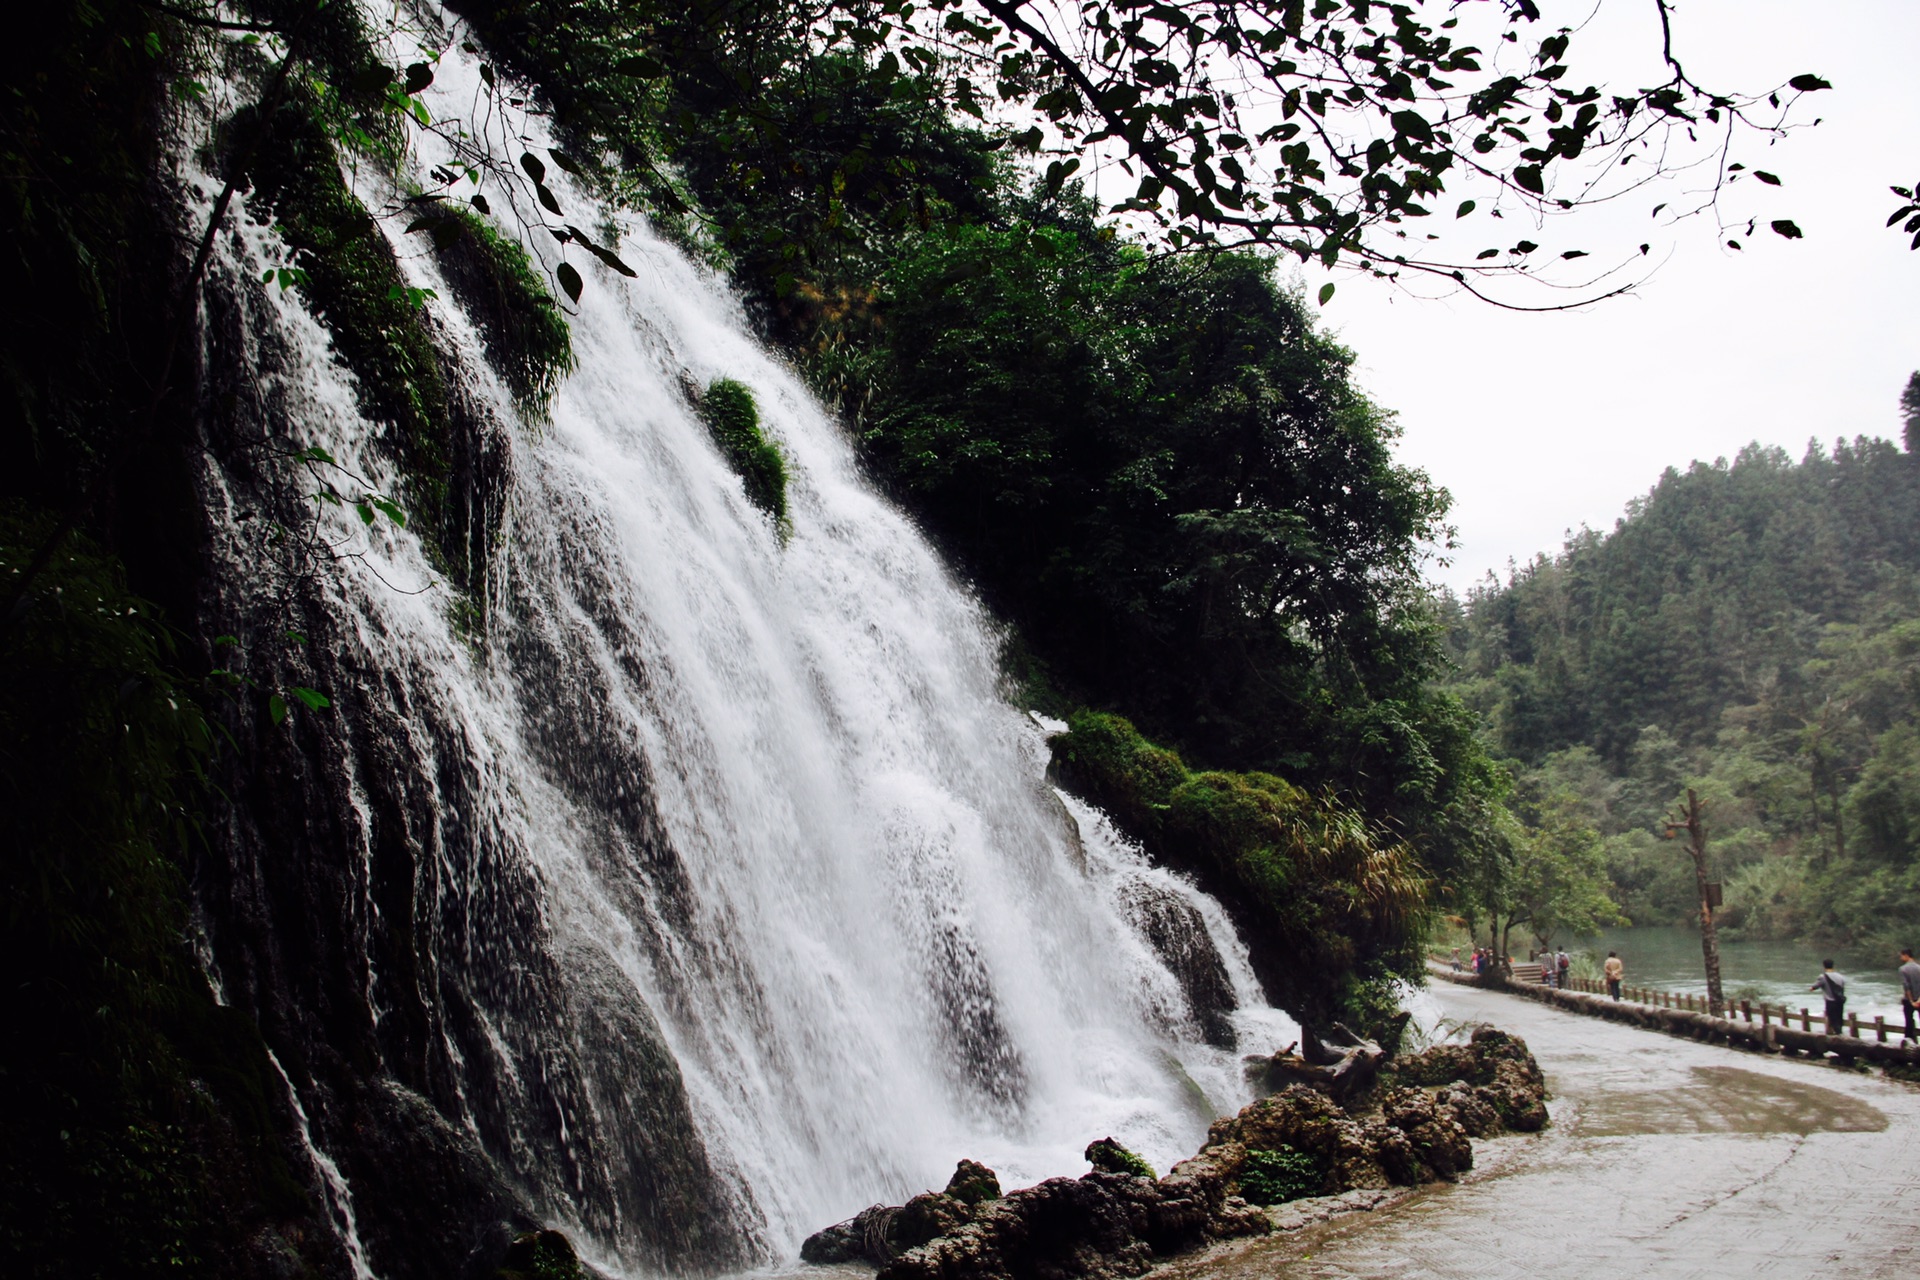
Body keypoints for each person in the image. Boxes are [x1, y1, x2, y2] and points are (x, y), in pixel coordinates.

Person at [1810, 959, 1847, 1036]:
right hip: (1840, 1001)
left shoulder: (1823, 977)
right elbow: (1843, 987)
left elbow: (1815, 987)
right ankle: (1840, 1034)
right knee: (1839, 1018)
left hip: (1830, 1001)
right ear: (1833, 965)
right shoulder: (1840, 976)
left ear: (1824, 966)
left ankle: (1839, 1036)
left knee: (1832, 1019)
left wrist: (1811, 988)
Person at [1901, 947, 1920, 1046]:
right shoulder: (1919, 968)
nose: (1901, 958)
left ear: (1906, 955)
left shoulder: (1903, 969)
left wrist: (1912, 1001)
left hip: (1909, 1000)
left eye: (1902, 956)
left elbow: (1906, 986)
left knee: (1909, 1021)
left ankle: (1910, 1043)